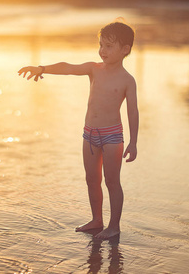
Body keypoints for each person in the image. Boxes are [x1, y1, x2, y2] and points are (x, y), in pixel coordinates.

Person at [18, 21, 139, 239]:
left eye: (109, 46)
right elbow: (68, 68)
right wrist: (43, 69)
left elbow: (133, 112)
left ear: (125, 50)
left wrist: (133, 142)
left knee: (112, 181)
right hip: (90, 134)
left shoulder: (127, 80)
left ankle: (114, 226)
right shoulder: (94, 69)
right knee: (91, 179)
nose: (103, 50)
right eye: (101, 45)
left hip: (112, 137)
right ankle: (96, 220)